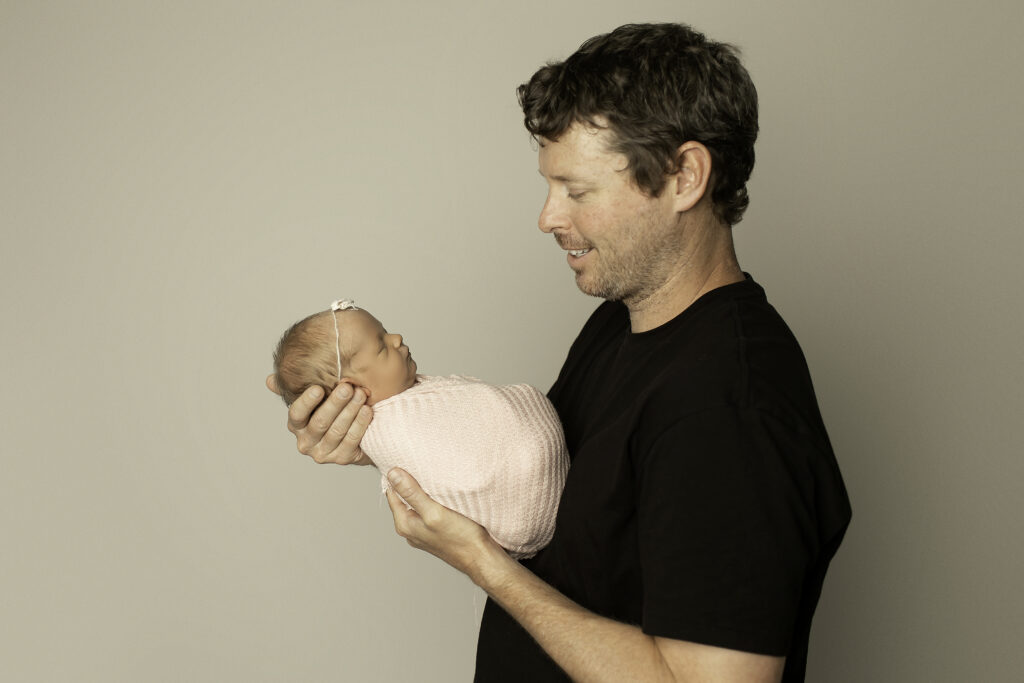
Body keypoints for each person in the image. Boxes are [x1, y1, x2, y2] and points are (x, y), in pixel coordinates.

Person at [267, 22, 851, 683]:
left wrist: (485, 563)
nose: (547, 217)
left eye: (577, 190)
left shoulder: (728, 409)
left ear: (684, 175)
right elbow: (536, 493)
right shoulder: (621, 321)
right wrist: (379, 426)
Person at [271, 299, 568, 559]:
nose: (397, 339)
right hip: (518, 503)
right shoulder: (392, 429)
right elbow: (460, 476)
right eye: (381, 345)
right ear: (350, 390)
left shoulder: (410, 398)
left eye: (387, 332)